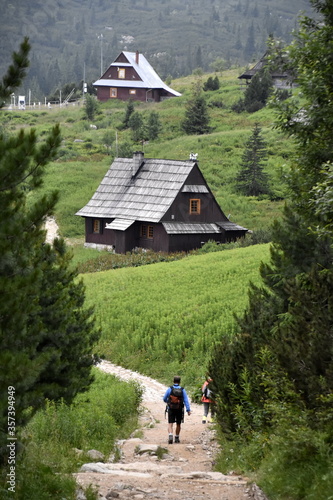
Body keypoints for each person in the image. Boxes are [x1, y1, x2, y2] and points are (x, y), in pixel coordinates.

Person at [163, 376, 191, 444]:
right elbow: (186, 400)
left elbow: (164, 398)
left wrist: (168, 402)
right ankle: (177, 437)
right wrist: (188, 410)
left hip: (171, 408)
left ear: (173, 381)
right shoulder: (182, 390)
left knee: (170, 423)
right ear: (179, 382)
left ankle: (170, 435)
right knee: (178, 424)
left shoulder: (170, 389)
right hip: (179, 409)